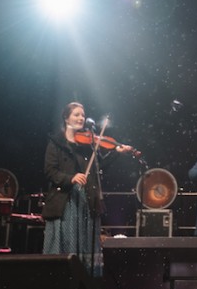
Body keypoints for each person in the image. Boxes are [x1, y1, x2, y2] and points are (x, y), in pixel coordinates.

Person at [41, 101, 132, 277]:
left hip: (86, 200)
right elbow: (50, 171)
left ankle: (85, 282)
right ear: (66, 118)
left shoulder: (87, 144)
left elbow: (99, 166)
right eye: (76, 114)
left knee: (86, 242)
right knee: (66, 241)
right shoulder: (56, 142)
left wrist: (116, 152)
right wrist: (71, 178)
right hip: (65, 201)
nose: (81, 118)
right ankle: (63, 277)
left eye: (82, 115)